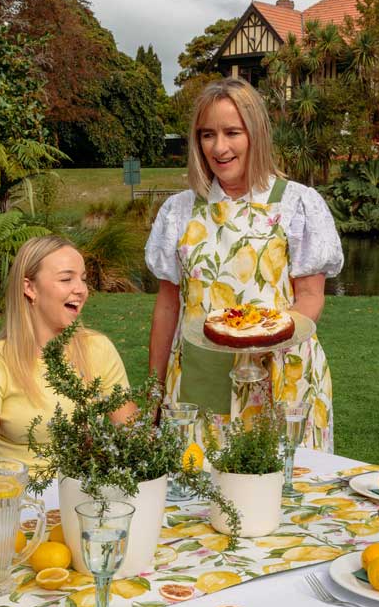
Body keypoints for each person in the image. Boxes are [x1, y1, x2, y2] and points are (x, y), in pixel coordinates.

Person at [145, 78, 343, 448]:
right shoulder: (179, 211)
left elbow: (310, 297)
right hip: (199, 379)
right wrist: (153, 394)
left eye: (232, 132)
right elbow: (168, 306)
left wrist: (262, 342)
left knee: (282, 480)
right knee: (197, 480)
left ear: (256, 134)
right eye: (207, 134)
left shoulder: (297, 204)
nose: (219, 147)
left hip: (281, 378)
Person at [0, 236, 134, 467]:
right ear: (29, 287)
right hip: (17, 488)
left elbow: (132, 432)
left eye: (83, 279)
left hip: (85, 487)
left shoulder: (98, 348)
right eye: (66, 279)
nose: (81, 290)